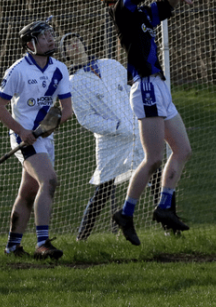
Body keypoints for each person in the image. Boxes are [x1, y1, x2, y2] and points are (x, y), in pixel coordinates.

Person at [98, 0, 194, 246]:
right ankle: (127, 212)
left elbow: (163, 7)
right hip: (146, 87)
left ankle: (164, 207)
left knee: (182, 150)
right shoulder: (122, 9)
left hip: (159, 87)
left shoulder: (137, 14)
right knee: (153, 157)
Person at [59, 32, 155, 241]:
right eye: (67, 45)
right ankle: (81, 238)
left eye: (76, 40)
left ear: (84, 42)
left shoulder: (110, 64)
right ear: (65, 54)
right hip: (110, 142)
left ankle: (169, 226)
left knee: (154, 175)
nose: (74, 44)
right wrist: (117, 126)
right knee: (103, 190)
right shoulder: (72, 83)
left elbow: (132, 87)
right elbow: (86, 119)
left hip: (136, 131)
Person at [0, 19, 73, 260]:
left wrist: (49, 127)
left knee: (28, 192)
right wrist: (23, 131)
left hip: (44, 139)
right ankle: (42, 243)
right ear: (30, 43)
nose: (51, 38)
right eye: (44, 35)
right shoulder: (17, 70)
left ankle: (12, 246)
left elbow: (66, 110)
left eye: (51, 33)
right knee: (49, 181)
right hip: (22, 138)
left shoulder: (60, 69)